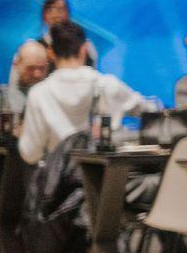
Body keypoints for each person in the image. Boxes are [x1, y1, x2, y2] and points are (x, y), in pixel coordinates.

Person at [17, 22, 148, 165]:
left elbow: (30, 154)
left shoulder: (39, 94)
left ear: (51, 53)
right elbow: (151, 112)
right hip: (106, 180)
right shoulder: (107, 85)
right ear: (84, 48)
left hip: (60, 183)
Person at [0, 42, 52, 144]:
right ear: (17, 64)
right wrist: (10, 135)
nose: (37, 74)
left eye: (42, 68)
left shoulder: (54, 100)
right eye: (30, 68)